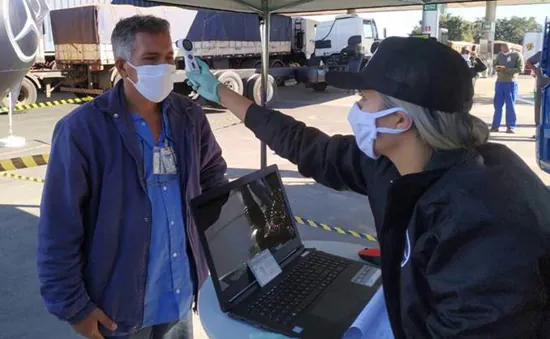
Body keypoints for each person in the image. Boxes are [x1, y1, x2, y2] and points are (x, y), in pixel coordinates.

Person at [188, 37, 550, 338]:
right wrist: (221, 93)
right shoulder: (391, 163)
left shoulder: (483, 219)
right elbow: (303, 145)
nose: (356, 109)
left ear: (398, 119)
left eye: (363, 99)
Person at [37, 15, 227, 339]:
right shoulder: (82, 130)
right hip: (117, 310)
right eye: (151, 59)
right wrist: (74, 308)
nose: (165, 68)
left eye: (169, 58)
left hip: (180, 296)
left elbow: (212, 175)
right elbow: (59, 226)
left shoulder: (189, 117)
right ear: (123, 67)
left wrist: (209, 244)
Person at [491, 43, 524, 134]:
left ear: (509, 48)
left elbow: (520, 69)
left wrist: (506, 69)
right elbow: (494, 65)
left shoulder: (516, 55)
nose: (503, 49)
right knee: (497, 105)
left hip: (511, 83)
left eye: (504, 48)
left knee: (510, 106)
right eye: (502, 48)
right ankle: (495, 126)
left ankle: (511, 126)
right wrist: (497, 68)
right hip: (499, 83)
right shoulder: (499, 55)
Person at [526, 49, 550, 138]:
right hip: (542, 86)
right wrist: (535, 70)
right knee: (539, 108)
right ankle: (539, 132)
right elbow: (528, 62)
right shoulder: (542, 53)